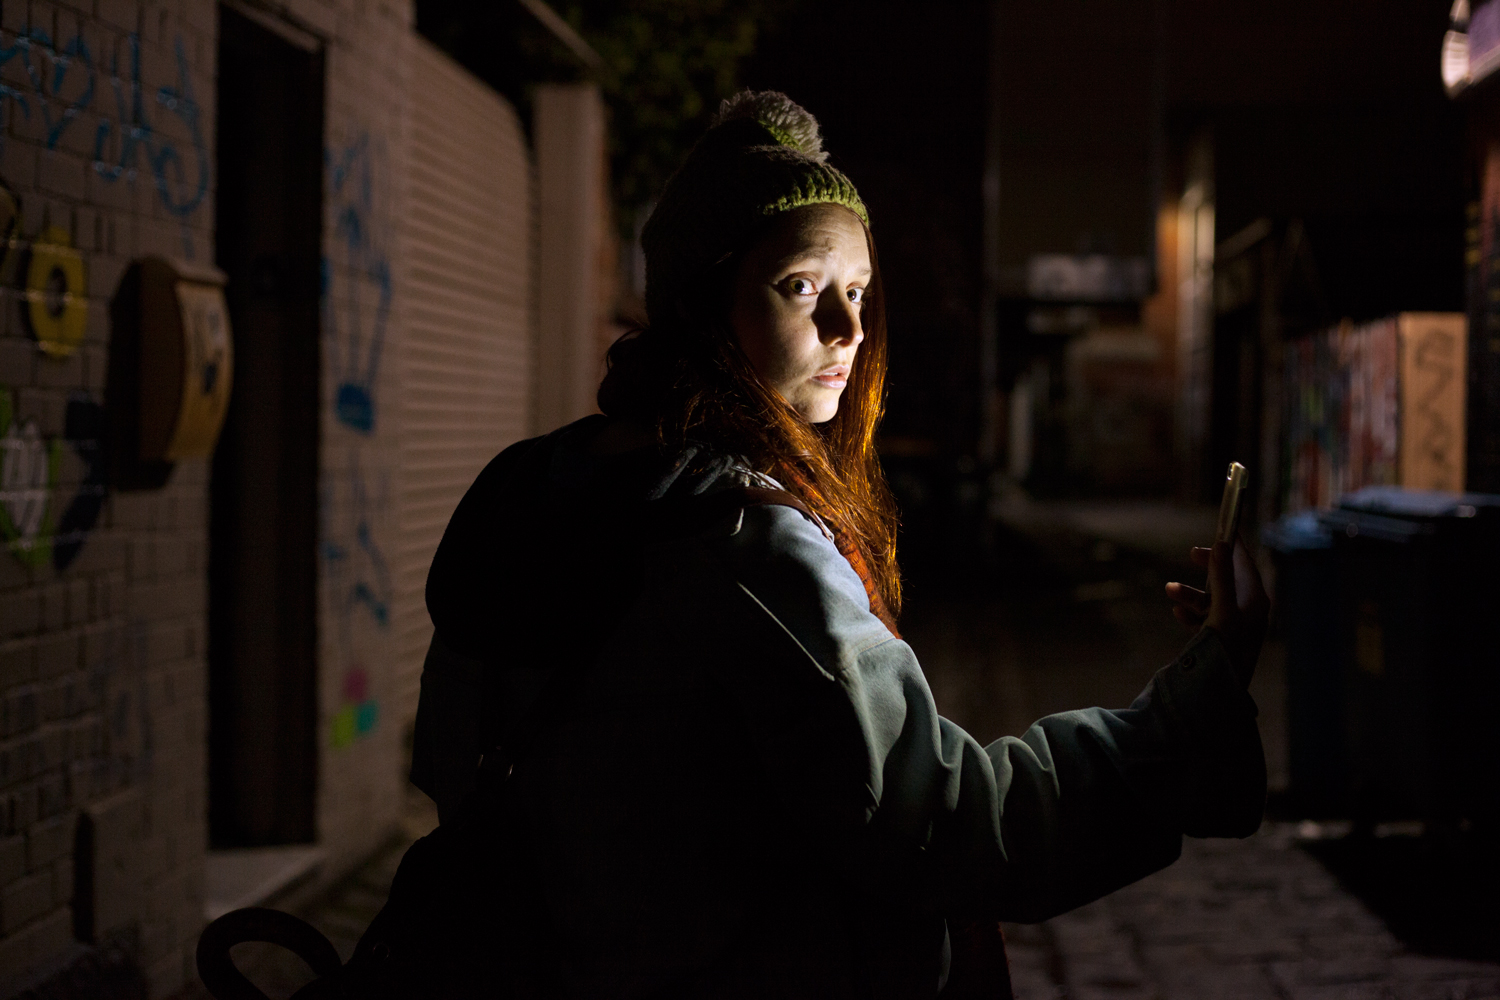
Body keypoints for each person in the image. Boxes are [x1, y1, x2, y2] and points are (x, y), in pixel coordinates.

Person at [409, 91, 1269, 999]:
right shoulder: (747, 544)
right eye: (803, 287)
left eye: (857, 291)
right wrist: (1197, 702)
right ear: (706, 301)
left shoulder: (535, 488)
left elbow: (448, 763)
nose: (849, 330)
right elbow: (949, 827)